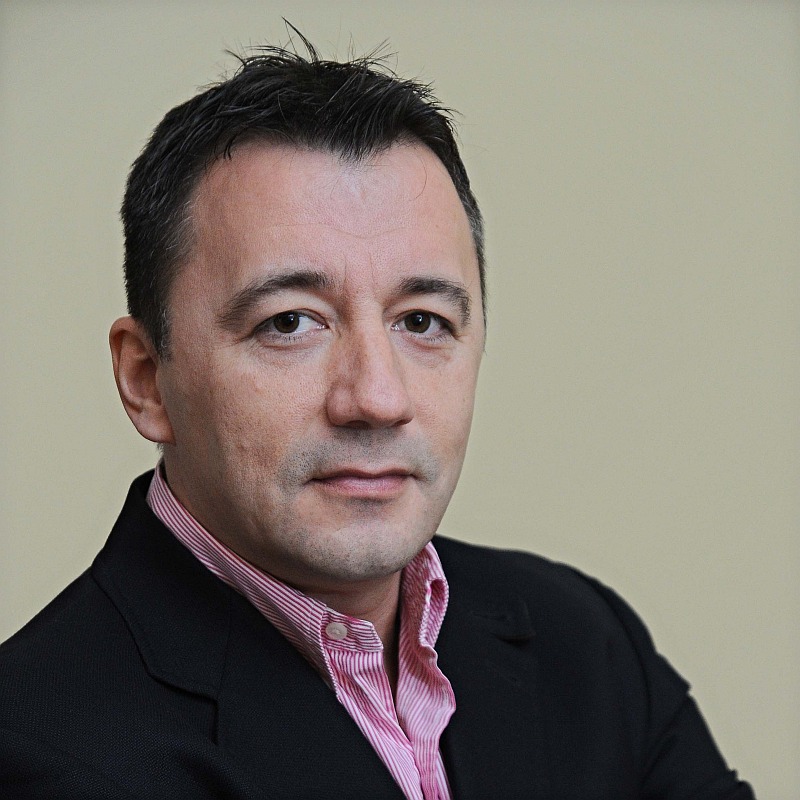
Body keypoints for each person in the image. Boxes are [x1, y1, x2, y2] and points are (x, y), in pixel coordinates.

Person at [0, 37, 754, 799]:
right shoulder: (37, 754)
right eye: (289, 322)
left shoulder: (584, 645)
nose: (376, 398)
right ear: (146, 381)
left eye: (422, 321)